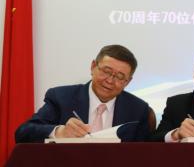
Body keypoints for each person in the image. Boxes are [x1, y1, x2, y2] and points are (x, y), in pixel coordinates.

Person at [15, 44, 150, 142]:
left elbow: (143, 154)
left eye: (120, 77)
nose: (110, 80)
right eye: (106, 71)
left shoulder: (138, 109)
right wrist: (60, 132)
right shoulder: (61, 97)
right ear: (93, 67)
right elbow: (23, 133)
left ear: (128, 81)